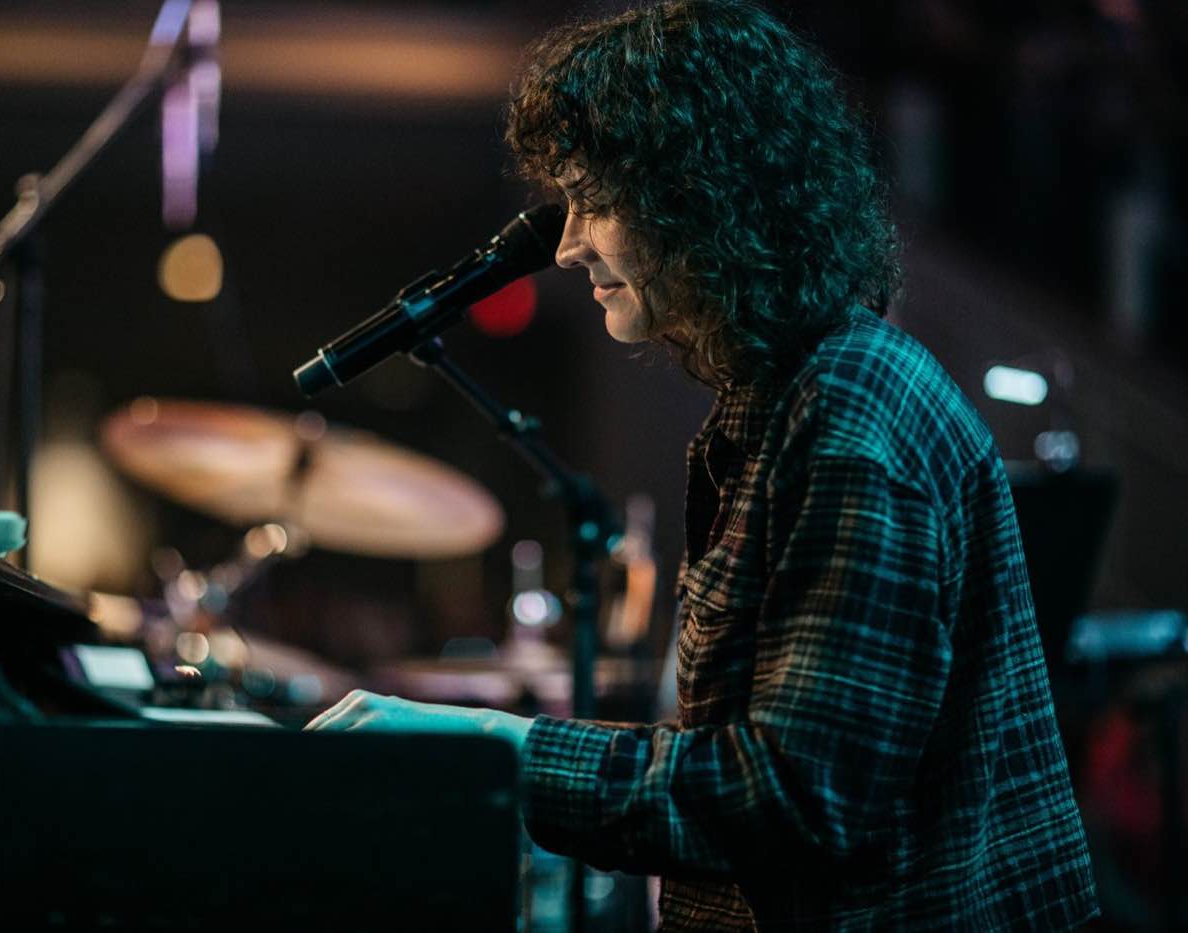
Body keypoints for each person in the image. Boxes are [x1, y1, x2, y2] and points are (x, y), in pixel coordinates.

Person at [307, 1, 1100, 928]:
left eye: (594, 201)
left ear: (702, 193)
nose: (565, 246)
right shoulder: (795, 396)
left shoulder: (851, 414)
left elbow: (795, 800)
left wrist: (495, 746)